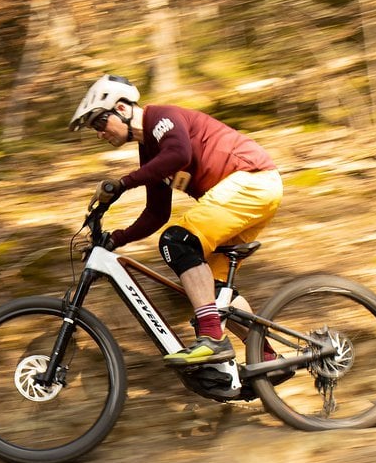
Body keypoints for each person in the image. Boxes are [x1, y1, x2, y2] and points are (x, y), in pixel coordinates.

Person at [69, 73, 283, 366]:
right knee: (214, 293)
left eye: (99, 122)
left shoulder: (162, 119)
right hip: (249, 194)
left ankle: (214, 340)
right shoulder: (151, 153)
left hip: (251, 181)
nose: (98, 133)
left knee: (178, 240)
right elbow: (157, 213)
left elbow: (179, 153)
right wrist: (115, 238)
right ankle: (268, 357)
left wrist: (122, 184)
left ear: (121, 108)